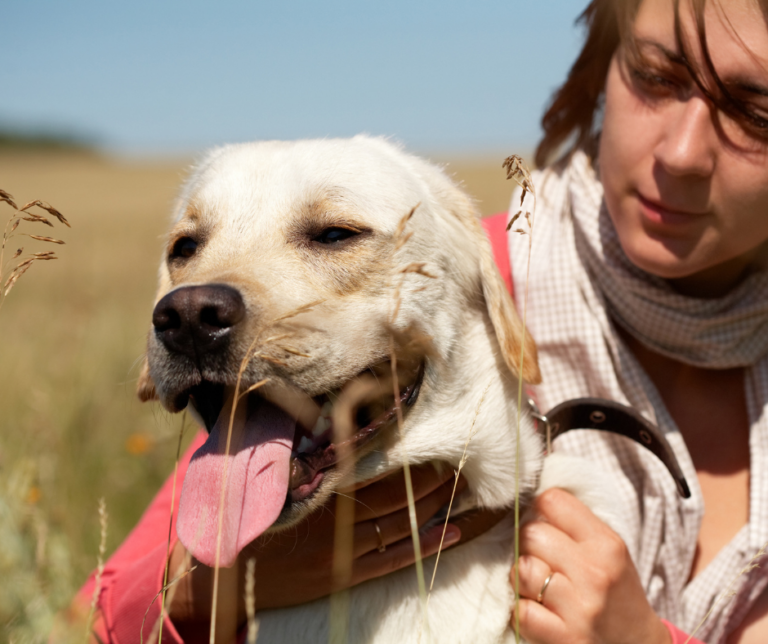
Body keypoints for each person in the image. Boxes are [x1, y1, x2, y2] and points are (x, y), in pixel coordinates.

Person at [76, 0, 768, 642]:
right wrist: (216, 588)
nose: (681, 153)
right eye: (654, 76)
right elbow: (90, 620)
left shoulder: (464, 269)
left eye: (754, 112)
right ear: (603, 68)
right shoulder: (491, 262)